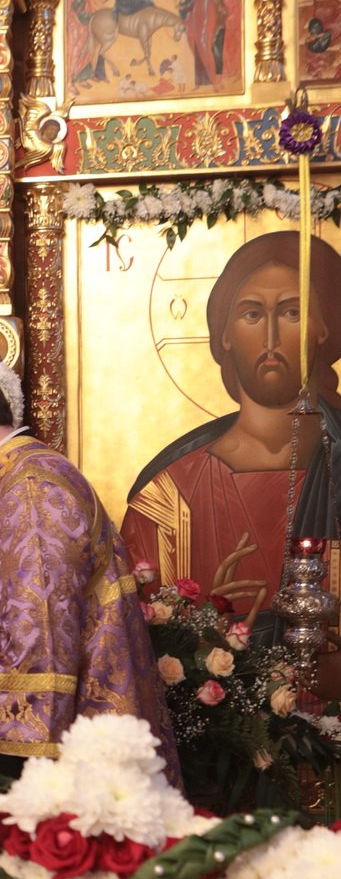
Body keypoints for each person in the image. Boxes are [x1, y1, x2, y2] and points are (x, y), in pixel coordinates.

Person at [0, 358, 179, 782]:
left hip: (69, 758)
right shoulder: (23, 474)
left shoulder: (29, 490)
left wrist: (9, 770)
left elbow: (40, 634)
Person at [122, 232, 341, 649]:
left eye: (292, 312)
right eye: (252, 314)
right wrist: (209, 626)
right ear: (224, 333)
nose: (271, 338)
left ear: (323, 328)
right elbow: (135, 643)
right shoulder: (167, 498)